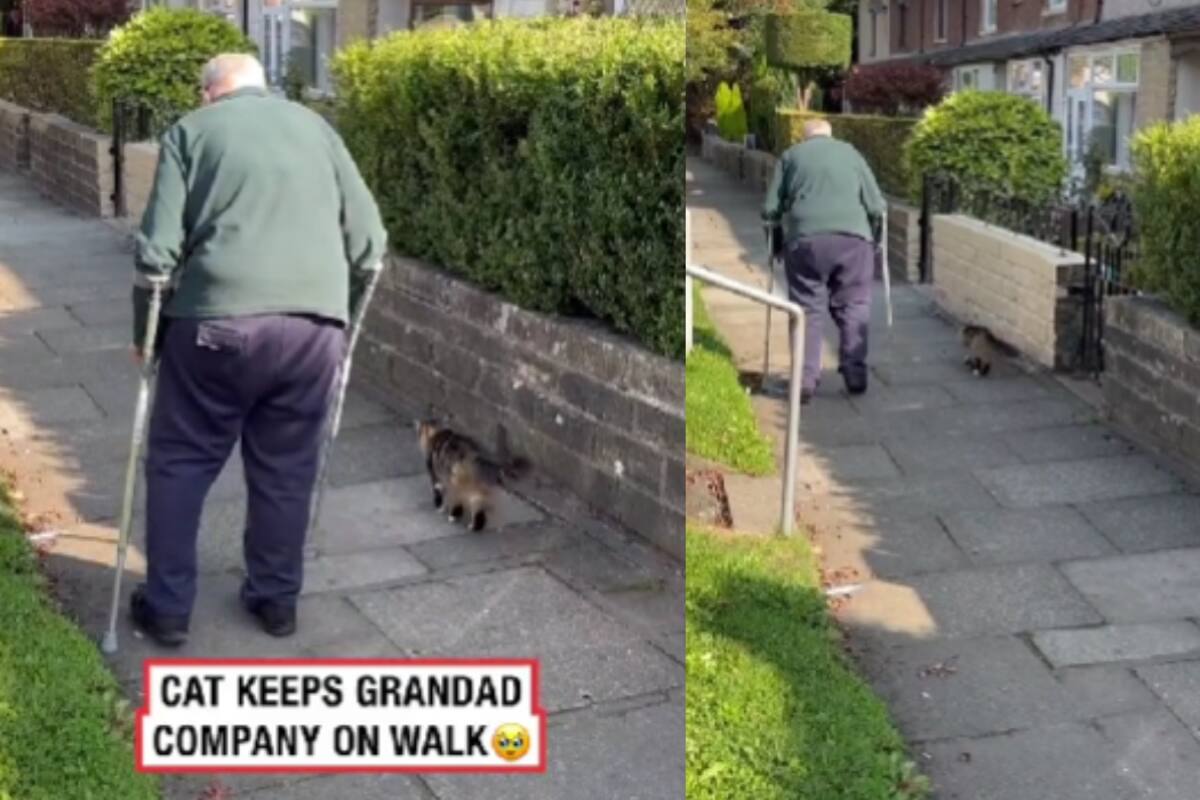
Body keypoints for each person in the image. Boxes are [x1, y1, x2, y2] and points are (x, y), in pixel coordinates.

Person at [129, 53, 387, 646]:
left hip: (215, 324)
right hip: (313, 333)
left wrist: (145, 334)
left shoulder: (191, 131)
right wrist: (339, 315)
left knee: (180, 461)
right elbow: (370, 246)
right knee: (287, 467)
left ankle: (167, 609)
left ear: (209, 93)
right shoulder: (317, 127)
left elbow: (156, 255)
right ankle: (276, 601)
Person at [762, 118, 885, 404]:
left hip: (805, 241)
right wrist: (874, 240)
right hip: (853, 241)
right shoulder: (851, 153)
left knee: (807, 310)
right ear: (830, 135)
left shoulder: (791, 156)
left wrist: (776, 244)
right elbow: (877, 206)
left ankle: (805, 381)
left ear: (805, 137)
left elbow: (770, 209)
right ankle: (855, 374)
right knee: (854, 305)